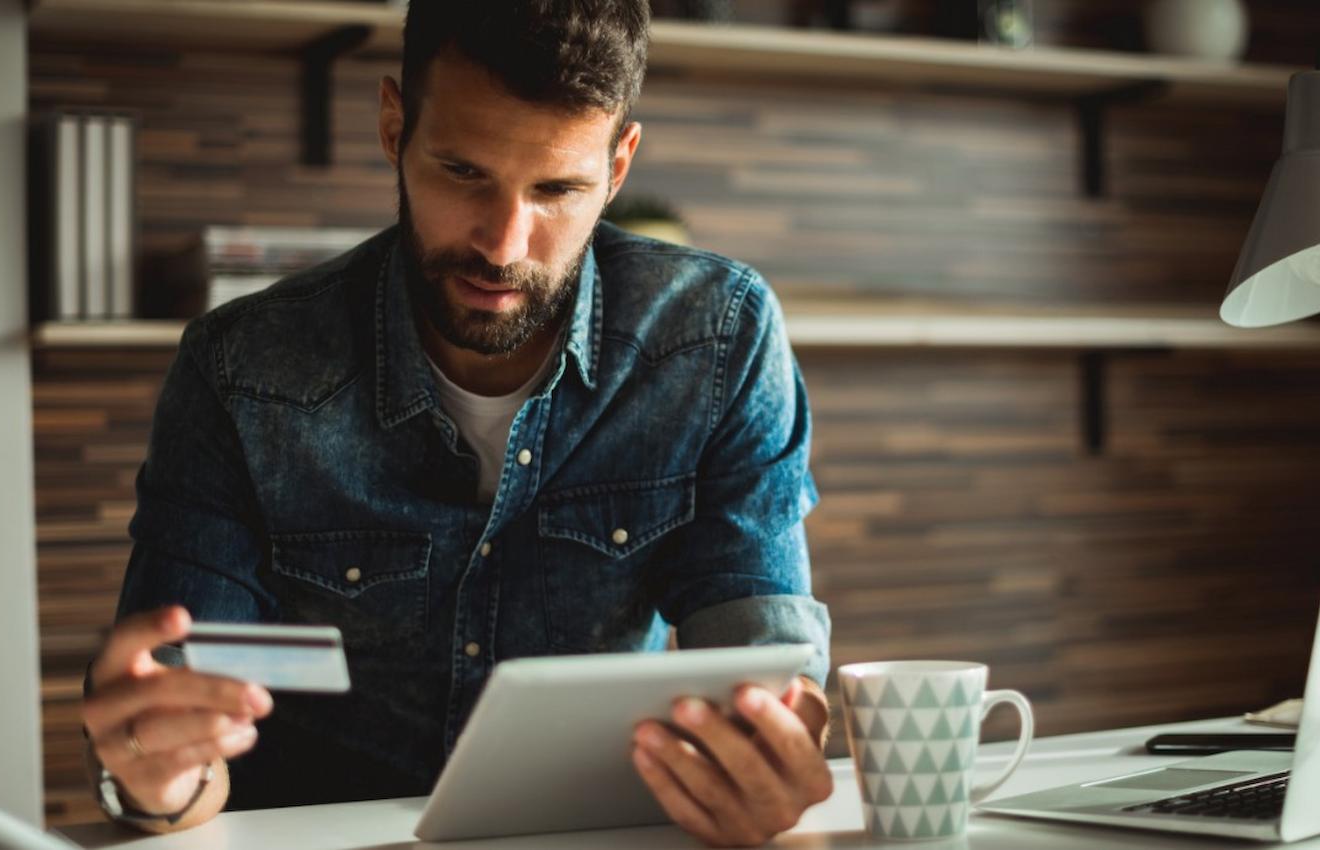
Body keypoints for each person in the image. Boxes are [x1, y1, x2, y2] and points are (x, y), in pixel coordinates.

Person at [79, 1, 831, 845]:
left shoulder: (716, 337)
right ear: (394, 125)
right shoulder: (241, 369)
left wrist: (770, 751)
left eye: (557, 189)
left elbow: (760, 658)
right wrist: (157, 781)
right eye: (463, 173)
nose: (504, 246)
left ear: (618, 167)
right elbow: (179, 723)